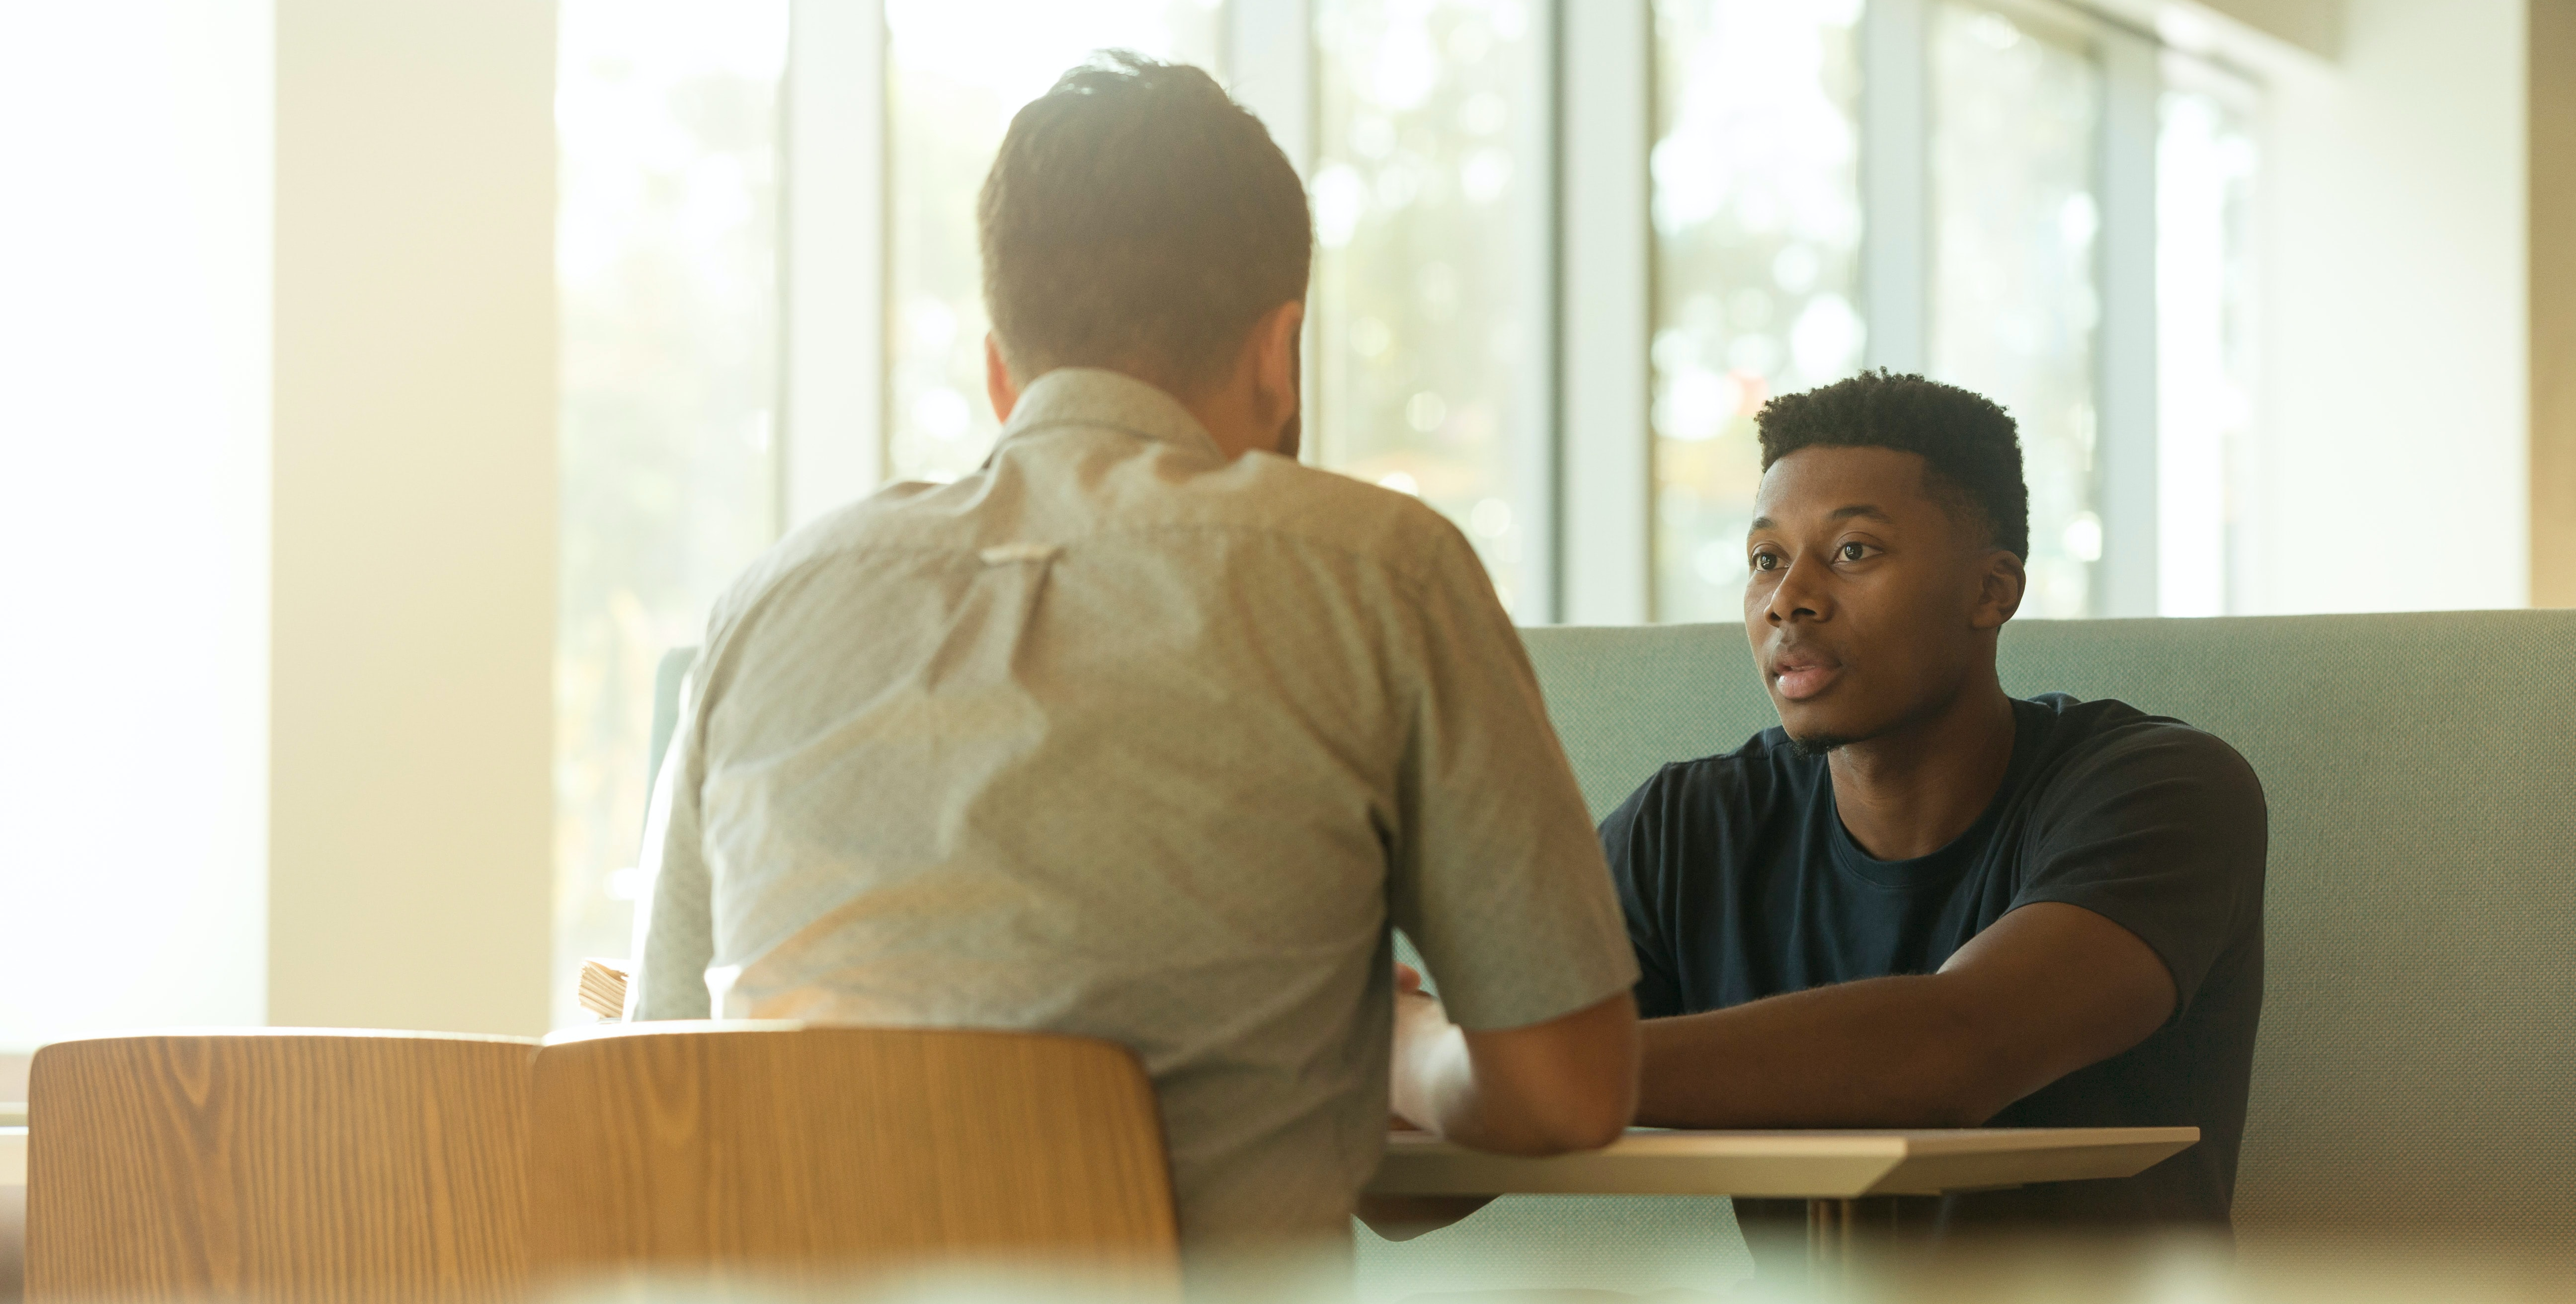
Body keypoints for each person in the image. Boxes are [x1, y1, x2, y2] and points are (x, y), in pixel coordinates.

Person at [628, 53, 1639, 1265]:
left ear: (1002, 370)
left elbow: (658, 1080)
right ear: (1282, 353)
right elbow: (1569, 1090)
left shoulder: (766, 602)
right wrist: (1403, 1047)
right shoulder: (1380, 569)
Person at [1601, 371, 2266, 1253]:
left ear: (1992, 592)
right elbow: (1414, 1189)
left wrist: (1517, 1067)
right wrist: (1410, 1051)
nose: (1786, 598)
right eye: (1766, 558)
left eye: (1852, 552)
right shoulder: (1685, 828)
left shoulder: (2163, 790)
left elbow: (1949, 1054)